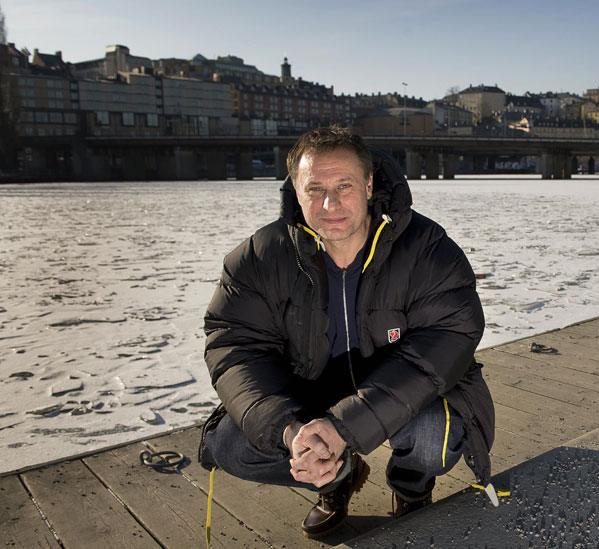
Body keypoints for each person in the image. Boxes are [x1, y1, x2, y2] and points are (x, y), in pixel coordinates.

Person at [198, 126, 494, 540]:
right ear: (294, 190)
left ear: (369, 184)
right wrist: (292, 432)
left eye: (344, 186)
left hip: (398, 387)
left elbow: (449, 334)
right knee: (231, 444)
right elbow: (235, 344)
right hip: (309, 390)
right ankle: (337, 480)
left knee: (433, 434)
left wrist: (346, 426)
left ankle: (411, 488)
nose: (329, 203)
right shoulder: (259, 258)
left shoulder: (426, 248)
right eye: (314, 187)